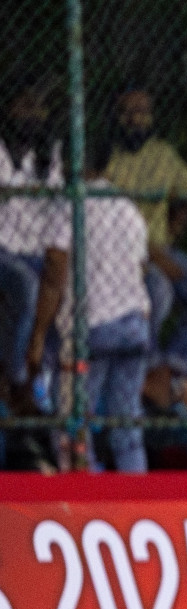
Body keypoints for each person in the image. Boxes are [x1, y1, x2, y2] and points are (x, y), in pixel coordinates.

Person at [105, 88, 187, 410]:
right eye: (128, 112)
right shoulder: (105, 158)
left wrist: (170, 237)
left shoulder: (162, 155)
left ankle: (169, 369)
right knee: (158, 289)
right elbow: (105, 222)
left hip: (159, 250)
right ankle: (144, 371)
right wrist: (154, 255)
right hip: (118, 254)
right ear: (116, 116)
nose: (136, 120)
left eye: (143, 112)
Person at [27, 154, 153, 473]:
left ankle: (87, 498)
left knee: (72, 422)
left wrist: (39, 335)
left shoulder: (70, 204)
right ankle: (136, 496)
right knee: (127, 423)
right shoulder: (127, 206)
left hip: (92, 327)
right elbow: (141, 267)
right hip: (135, 321)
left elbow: (55, 268)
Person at [1, 78, 62, 410]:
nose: (32, 114)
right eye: (25, 106)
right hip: (3, 252)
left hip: (36, 252)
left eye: (39, 108)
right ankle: (16, 378)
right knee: (25, 285)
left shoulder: (49, 154)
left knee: (60, 290)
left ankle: (45, 388)